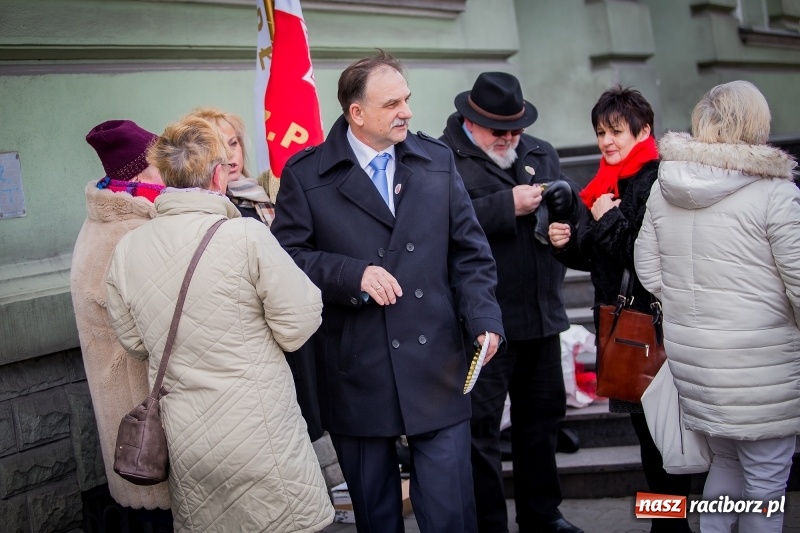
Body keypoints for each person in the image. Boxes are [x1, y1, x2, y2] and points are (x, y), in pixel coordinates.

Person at [270, 50, 505, 533]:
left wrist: (484, 318)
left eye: (407, 99)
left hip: (438, 364)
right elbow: (285, 259)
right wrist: (350, 275)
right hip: (358, 368)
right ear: (356, 113)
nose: (407, 112)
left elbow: (470, 253)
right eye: (392, 103)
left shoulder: (437, 160)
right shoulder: (306, 174)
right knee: (377, 519)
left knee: (451, 515)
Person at [104, 116, 333, 533]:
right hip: (260, 433)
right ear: (217, 174)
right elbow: (299, 323)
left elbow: (136, 343)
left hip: (188, 440)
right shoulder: (247, 236)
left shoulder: (127, 249)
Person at [634, 80, 800, 533]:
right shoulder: (775, 195)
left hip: (697, 362)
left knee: (724, 466)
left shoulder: (664, 187)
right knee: (765, 485)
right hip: (763, 365)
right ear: (757, 123)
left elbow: (648, 269)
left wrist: (688, 306)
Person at [439, 72, 582, 533]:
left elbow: (567, 219)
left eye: (515, 129)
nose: (509, 138)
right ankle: (488, 524)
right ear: (470, 121)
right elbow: (437, 227)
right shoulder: (443, 160)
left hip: (541, 315)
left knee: (540, 423)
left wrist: (564, 221)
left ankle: (543, 516)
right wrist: (507, 205)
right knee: (479, 429)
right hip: (483, 323)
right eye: (499, 130)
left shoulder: (540, 151)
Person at [547, 86, 692, 533]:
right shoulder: (610, 182)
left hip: (654, 330)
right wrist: (566, 245)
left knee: (664, 444)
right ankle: (665, 526)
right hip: (623, 329)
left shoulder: (654, 181)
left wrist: (606, 216)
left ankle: (671, 526)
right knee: (649, 443)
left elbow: (645, 256)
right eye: (600, 132)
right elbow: (599, 258)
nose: (606, 141)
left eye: (615, 132)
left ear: (643, 130)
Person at [187, 106, 323, 442]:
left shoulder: (267, 194)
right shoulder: (209, 208)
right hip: (254, 334)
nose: (230, 155)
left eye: (233, 143)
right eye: (220, 146)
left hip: (294, 322)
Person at [72, 119, 173, 530]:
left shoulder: (108, 220)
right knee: (158, 517)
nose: (169, 169)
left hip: (129, 402)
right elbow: (154, 326)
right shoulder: (129, 231)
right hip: (142, 405)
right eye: (159, 161)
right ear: (141, 172)